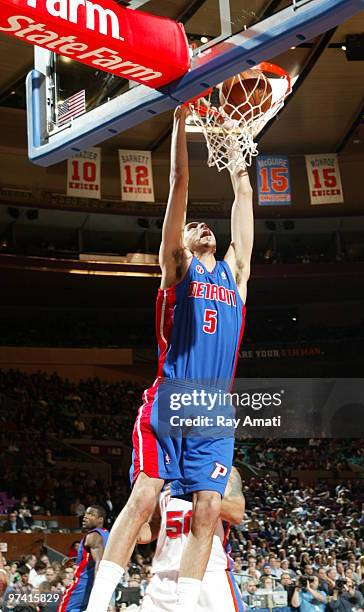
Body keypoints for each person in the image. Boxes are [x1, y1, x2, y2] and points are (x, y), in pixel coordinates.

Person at [86, 104, 253, 612]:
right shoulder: (177, 271)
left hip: (215, 410)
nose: (201, 224)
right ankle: (97, 603)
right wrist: (181, 124)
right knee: (144, 496)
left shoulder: (235, 274)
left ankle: (183, 605)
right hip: (172, 396)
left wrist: (237, 146)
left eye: (206, 225)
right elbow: (180, 182)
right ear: (177, 246)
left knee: (207, 509)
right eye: (191, 226)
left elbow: (243, 198)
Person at [139, 467, 245, 611]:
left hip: (209, 575)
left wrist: (192, 491)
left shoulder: (226, 471)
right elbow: (156, 525)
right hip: (165, 577)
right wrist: (127, 535)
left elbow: (236, 513)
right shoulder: (165, 473)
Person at [57, 505, 108, 612]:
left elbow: (100, 562)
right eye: (85, 514)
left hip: (82, 586)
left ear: (100, 520)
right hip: (90, 585)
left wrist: (98, 589)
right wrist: (77, 560)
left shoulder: (93, 536)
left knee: (63, 609)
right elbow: (97, 558)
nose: (85, 517)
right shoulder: (105, 534)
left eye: (91, 514)